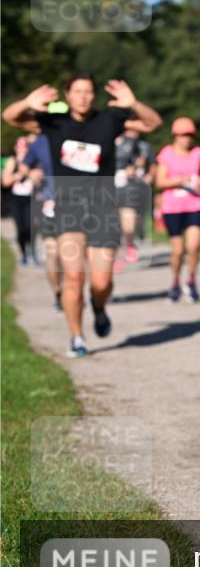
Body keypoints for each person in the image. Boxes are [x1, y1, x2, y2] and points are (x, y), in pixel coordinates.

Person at [2, 74, 162, 356]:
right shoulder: (54, 123)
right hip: (68, 207)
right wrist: (28, 102)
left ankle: (98, 305)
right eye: (77, 91)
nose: (83, 97)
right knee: (73, 276)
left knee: (100, 283)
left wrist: (134, 103)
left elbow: (153, 123)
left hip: (102, 206)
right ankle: (77, 337)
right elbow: (10, 117)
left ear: (94, 96)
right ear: (67, 95)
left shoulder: (109, 120)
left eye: (88, 92)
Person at [155, 117, 200, 303]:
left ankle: (191, 280)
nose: (187, 139)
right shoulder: (166, 154)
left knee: (193, 247)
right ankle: (175, 281)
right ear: (175, 136)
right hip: (172, 207)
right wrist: (180, 180)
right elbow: (159, 181)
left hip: (194, 204)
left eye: (190, 135)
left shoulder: (199, 153)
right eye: (183, 135)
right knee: (178, 251)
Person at [22, 127, 63, 310]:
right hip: (49, 203)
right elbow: (24, 166)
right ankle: (58, 292)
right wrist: (31, 174)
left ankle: (74, 291)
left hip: (79, 203)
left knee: (74, 253)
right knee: (52, 252)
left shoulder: (83, 135)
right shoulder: (41, 142)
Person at [114, 128, 153, 271]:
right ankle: (117, 256)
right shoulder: (110, 141)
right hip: (109, 186)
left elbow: (149, 164)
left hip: (130, 187)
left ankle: (130, 243)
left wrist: (138, 169)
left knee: (128, 222)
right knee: (113, 224)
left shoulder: (142, 146)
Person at [1, 135, 37, 265]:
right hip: (16, 199)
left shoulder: (34, 161)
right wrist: (19, 175)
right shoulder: (12, 161)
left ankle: (32, 253)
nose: (23, 149)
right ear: (16, 148)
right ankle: (23, 254)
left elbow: (40, 178)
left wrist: (32, 174)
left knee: (31, 227)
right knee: (20, 229)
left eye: (25, 146)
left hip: (31, 198)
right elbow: (5, 182)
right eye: (21, 146)